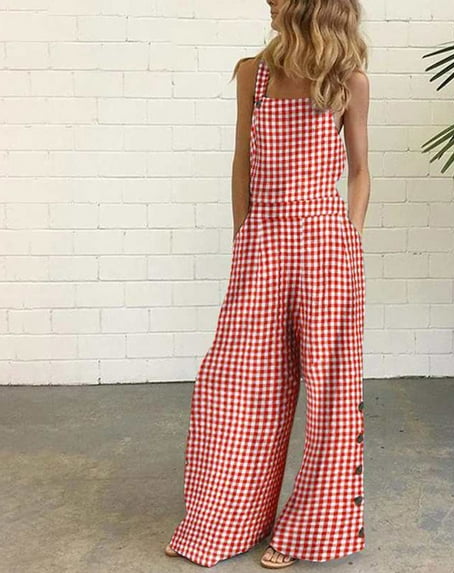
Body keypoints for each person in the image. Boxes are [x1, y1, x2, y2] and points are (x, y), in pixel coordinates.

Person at [165, 0, 370, 568]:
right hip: (263, 241)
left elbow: (360, 170)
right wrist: (244, 236)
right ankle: (225, 523)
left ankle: (310, 533)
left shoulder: (348, 80)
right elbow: (242, 162)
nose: (269, 1)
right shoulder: (253, 73)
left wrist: (349, 238)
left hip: (326, 247)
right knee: (235, 385)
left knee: (330, 396)